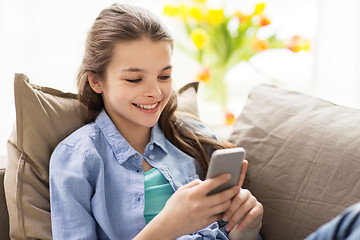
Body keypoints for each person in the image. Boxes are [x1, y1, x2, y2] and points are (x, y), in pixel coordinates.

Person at [49, 3, 263, 240]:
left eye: (164, 76)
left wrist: (247, 229)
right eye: (134, 79)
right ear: (97, 81)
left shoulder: (194, 137)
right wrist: (167, 227)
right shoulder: (77, 158)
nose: (156, 92)